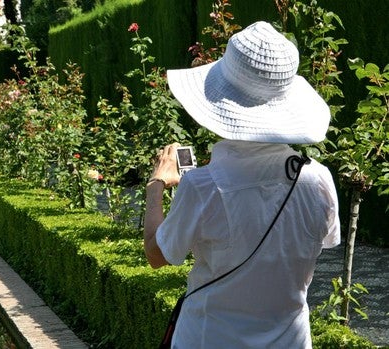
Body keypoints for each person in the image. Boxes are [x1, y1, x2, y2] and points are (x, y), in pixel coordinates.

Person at [143, 21, 340, 348]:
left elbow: (155, 253)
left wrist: (155, 185)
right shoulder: (318, 179)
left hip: (210, 338)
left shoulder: (202, 187)